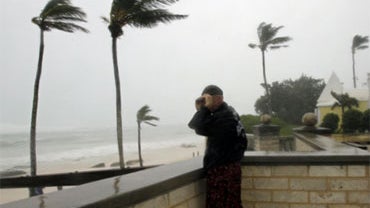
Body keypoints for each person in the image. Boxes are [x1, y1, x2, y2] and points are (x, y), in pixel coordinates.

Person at [188, 85, 247, 208]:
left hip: (223, 170)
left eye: (207, 99)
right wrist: (203, 110)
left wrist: (202, 110)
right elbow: (200, 128)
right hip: (229, 167)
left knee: (220, 204)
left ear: (219, 98)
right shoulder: (228, 112)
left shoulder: (224, 116)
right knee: (232, 204)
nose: (205, 102)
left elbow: (195, 125)